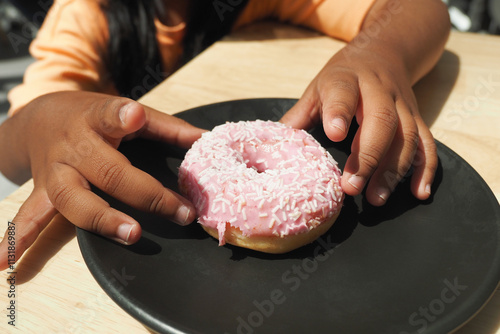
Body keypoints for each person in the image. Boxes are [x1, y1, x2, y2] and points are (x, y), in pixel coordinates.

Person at [0, 0, 450, 270]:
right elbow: (11, 150)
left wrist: (380, 51)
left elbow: (417, 8)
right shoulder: (87, 13)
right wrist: (41, 117)